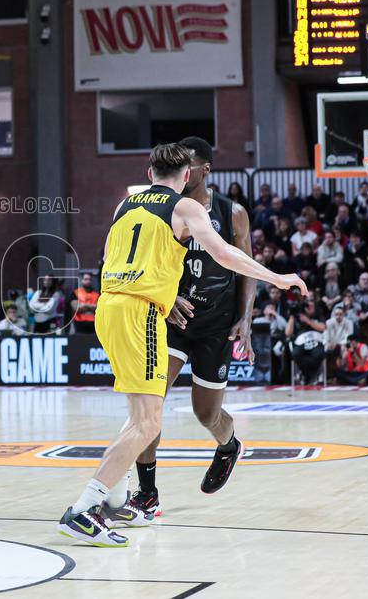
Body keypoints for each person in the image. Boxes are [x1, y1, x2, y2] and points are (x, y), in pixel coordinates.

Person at [57, 143, 306, 547]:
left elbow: (108, 257)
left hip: (109, 307)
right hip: (143, 314)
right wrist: (278, 277)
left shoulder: (127, 205)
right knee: (147, 422)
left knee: (141, 414)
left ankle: (116, 500)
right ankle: (85, 508)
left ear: (149, 170)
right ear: (186, 176)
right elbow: (224, 253)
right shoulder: (186, 208)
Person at [122, 137, 257, 522]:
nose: (182, 170)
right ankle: (147, 494)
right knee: (150, 406)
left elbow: (245, 266)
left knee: (206, 414)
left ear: (204, 169)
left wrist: (245, 318)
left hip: (216, 325)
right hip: (173, 320)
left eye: (190, 164)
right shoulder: (163, 209)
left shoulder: (232, 213)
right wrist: (166, 295)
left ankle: (228, 446)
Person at [286, 298, 326, 384]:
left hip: (316, 340)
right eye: (307, 306)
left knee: (319, 354)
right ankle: (310, 376)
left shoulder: (318, 316)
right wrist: (292, 316)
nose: (309, 308)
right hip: (301, 342)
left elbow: (322, 328)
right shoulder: (297, 317)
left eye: (311, 306)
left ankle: (307, 376)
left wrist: (307, 321)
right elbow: (288, 333)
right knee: (295, 354)